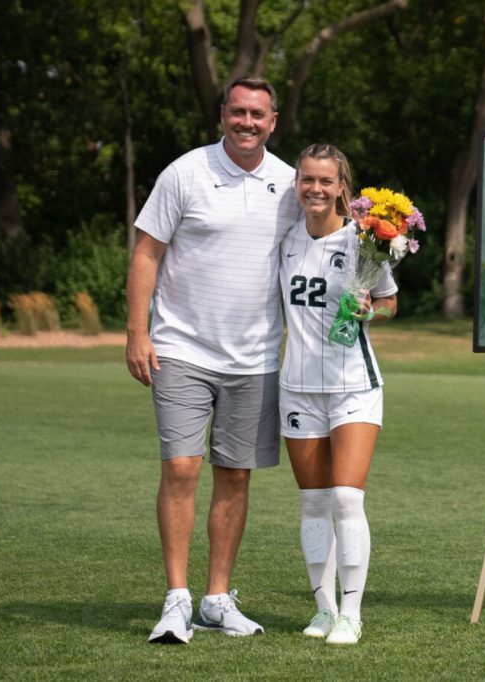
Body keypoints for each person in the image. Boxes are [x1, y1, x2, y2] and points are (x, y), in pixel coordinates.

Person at [126, 76, 299, 644]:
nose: (247, 122)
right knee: (181, 468)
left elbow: (320, 250)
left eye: (258, 114)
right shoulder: (185, 172)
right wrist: (137, 331)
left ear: (274, 122)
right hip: (180, 347)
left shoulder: (291, 184)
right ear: (222, 114)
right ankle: (176, 598)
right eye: (238, 111)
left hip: (255, 357)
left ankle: (217, 599)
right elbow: (147, 251)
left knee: (236, 475)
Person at [279, 143, 397, 646]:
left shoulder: (363, 243)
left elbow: (390, 302)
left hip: (354, 385)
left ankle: (352, 613)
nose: (316, 189)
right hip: (297, 388)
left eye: (326, 181)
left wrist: (370, 309)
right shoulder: (284, 241)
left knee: (347, 499)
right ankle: (323, 609)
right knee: (313, 503)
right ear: (297, 184)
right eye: (308, 179)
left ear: (343, 187)